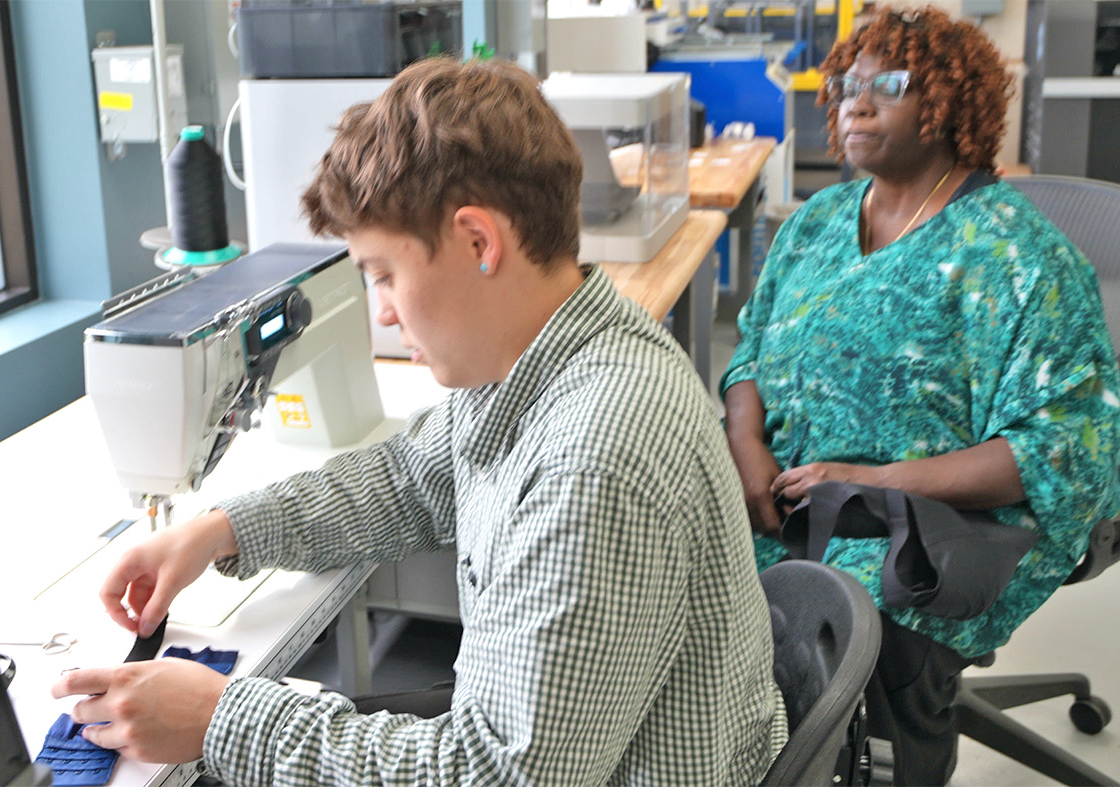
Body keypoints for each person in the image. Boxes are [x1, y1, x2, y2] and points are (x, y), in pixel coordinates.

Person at [53, 57, 789, 785]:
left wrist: (222, 721)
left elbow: (496, 776)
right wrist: (221, 528)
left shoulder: (593, 459)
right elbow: (409, 476)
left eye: (383, 273)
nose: (382, 309)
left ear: (478, 242)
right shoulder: (543, 353)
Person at [721, 6, 1120, 785]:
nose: (856, 101)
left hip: (933, 523)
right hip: (790, 495)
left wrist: (870, 479)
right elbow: (750, 350)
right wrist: (746, 445)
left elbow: (1056, 451)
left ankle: (894, 753)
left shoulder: (1018, 256)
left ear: (951, 102)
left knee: (857, 641)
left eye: (891, 85)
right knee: (679, 577)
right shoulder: (816, 224)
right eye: (845, 84)